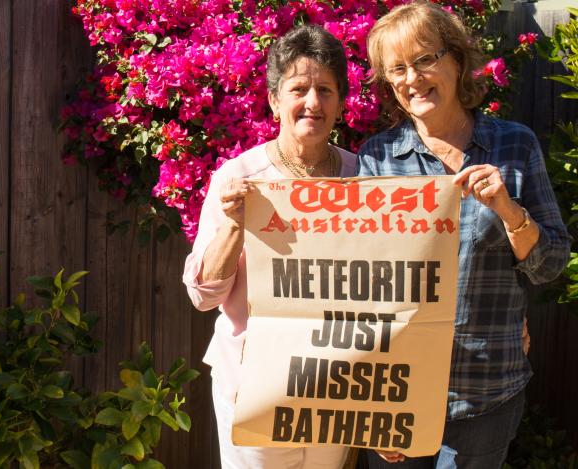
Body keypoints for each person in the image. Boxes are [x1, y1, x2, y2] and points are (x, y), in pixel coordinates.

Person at [357, 2, 571, 468]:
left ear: (456, 60)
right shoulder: (377, 158)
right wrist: (375, 408)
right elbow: (360, 286)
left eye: (425, 59)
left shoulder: (514, 145)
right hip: (399, 393)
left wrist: (509, 210)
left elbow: (551, 264)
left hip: (486, 390)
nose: (413, 78)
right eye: (398, 68)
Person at [183, 24, 355, 469]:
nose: (313, 103)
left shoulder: (364, 178)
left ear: (341, 102)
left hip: (336, 381)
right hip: (254, 382)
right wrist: (235, 225)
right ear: (275, 98)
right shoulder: (239, 177)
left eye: (326, 90)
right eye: (299, 89)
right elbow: (203, 296)